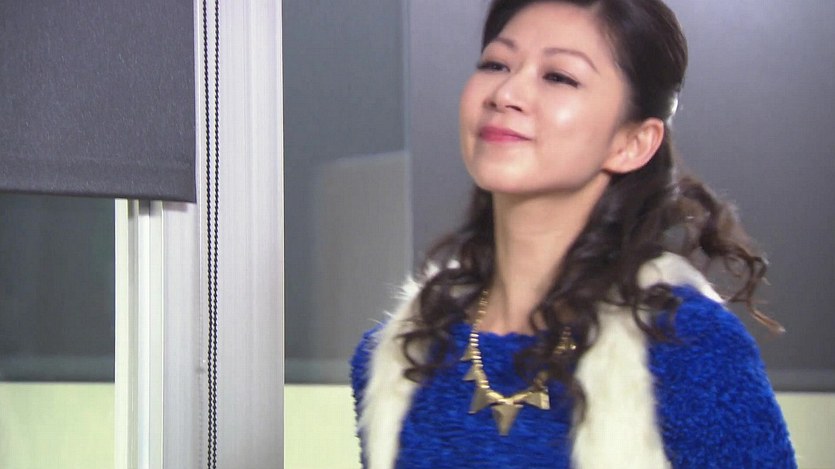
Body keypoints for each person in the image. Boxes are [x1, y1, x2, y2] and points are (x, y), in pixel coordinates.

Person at [351, 0, 797, 467]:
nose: (506, 93)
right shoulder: (398, 357)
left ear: (633, 142)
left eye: (558, 76)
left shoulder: (687, 345)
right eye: (496, 64)